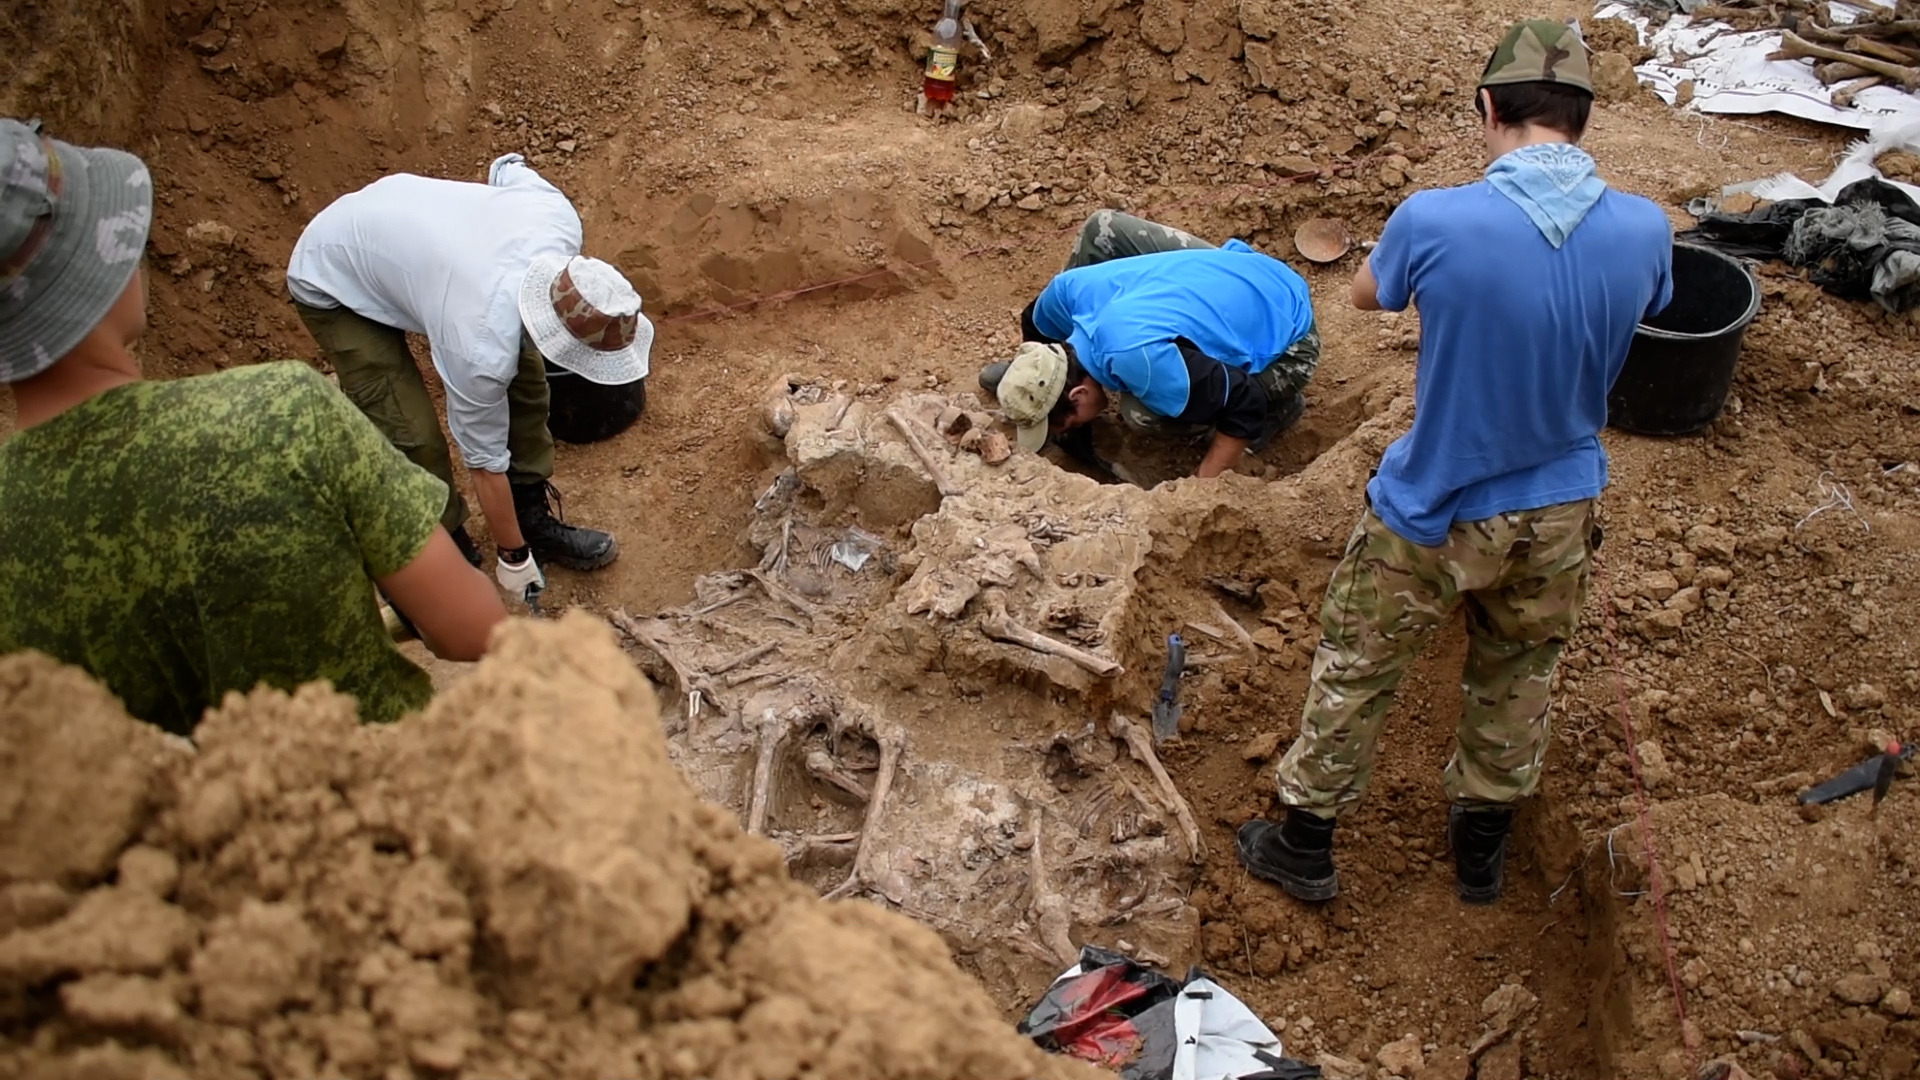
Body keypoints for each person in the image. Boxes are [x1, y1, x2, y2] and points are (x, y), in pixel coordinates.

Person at [1235, 20, 1674, 905]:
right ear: (1585, 119)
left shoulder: (1435, 217)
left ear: (1487, 106)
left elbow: (1366, 297)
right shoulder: (1646, 229)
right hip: (1560, 508)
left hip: (1435, 507)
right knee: (1519, 674)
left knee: (1359, 668)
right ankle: (1481, 853)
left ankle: (1306, 845)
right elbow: (1651, 303)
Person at [0, 119, 507, 737]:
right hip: (371, 796)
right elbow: (470, 629)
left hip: (177, 827)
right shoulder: (283, 414)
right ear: (97, 267)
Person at [286, 153, 651, 602]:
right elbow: (483, 461)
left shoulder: (556, 218)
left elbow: (506, 166)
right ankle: (446, 543)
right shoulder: (479, 343)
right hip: (333, 274)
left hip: (411, 246)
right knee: (410, 430)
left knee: (529, 387)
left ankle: (531, 518)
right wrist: (512, 559)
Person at [979, 210, 1319, 480]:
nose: (1074, 431)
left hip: (1290, 331)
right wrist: (1027, 380)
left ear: (1078, 395)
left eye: (1072, 425)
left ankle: (1282, 409)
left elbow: (1246, 401)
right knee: (1101, 228)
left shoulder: (1136, 360)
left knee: (1141, 415)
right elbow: (1034, 322)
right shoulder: (1067, 292)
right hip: (1234, 272)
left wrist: (1203, 484)